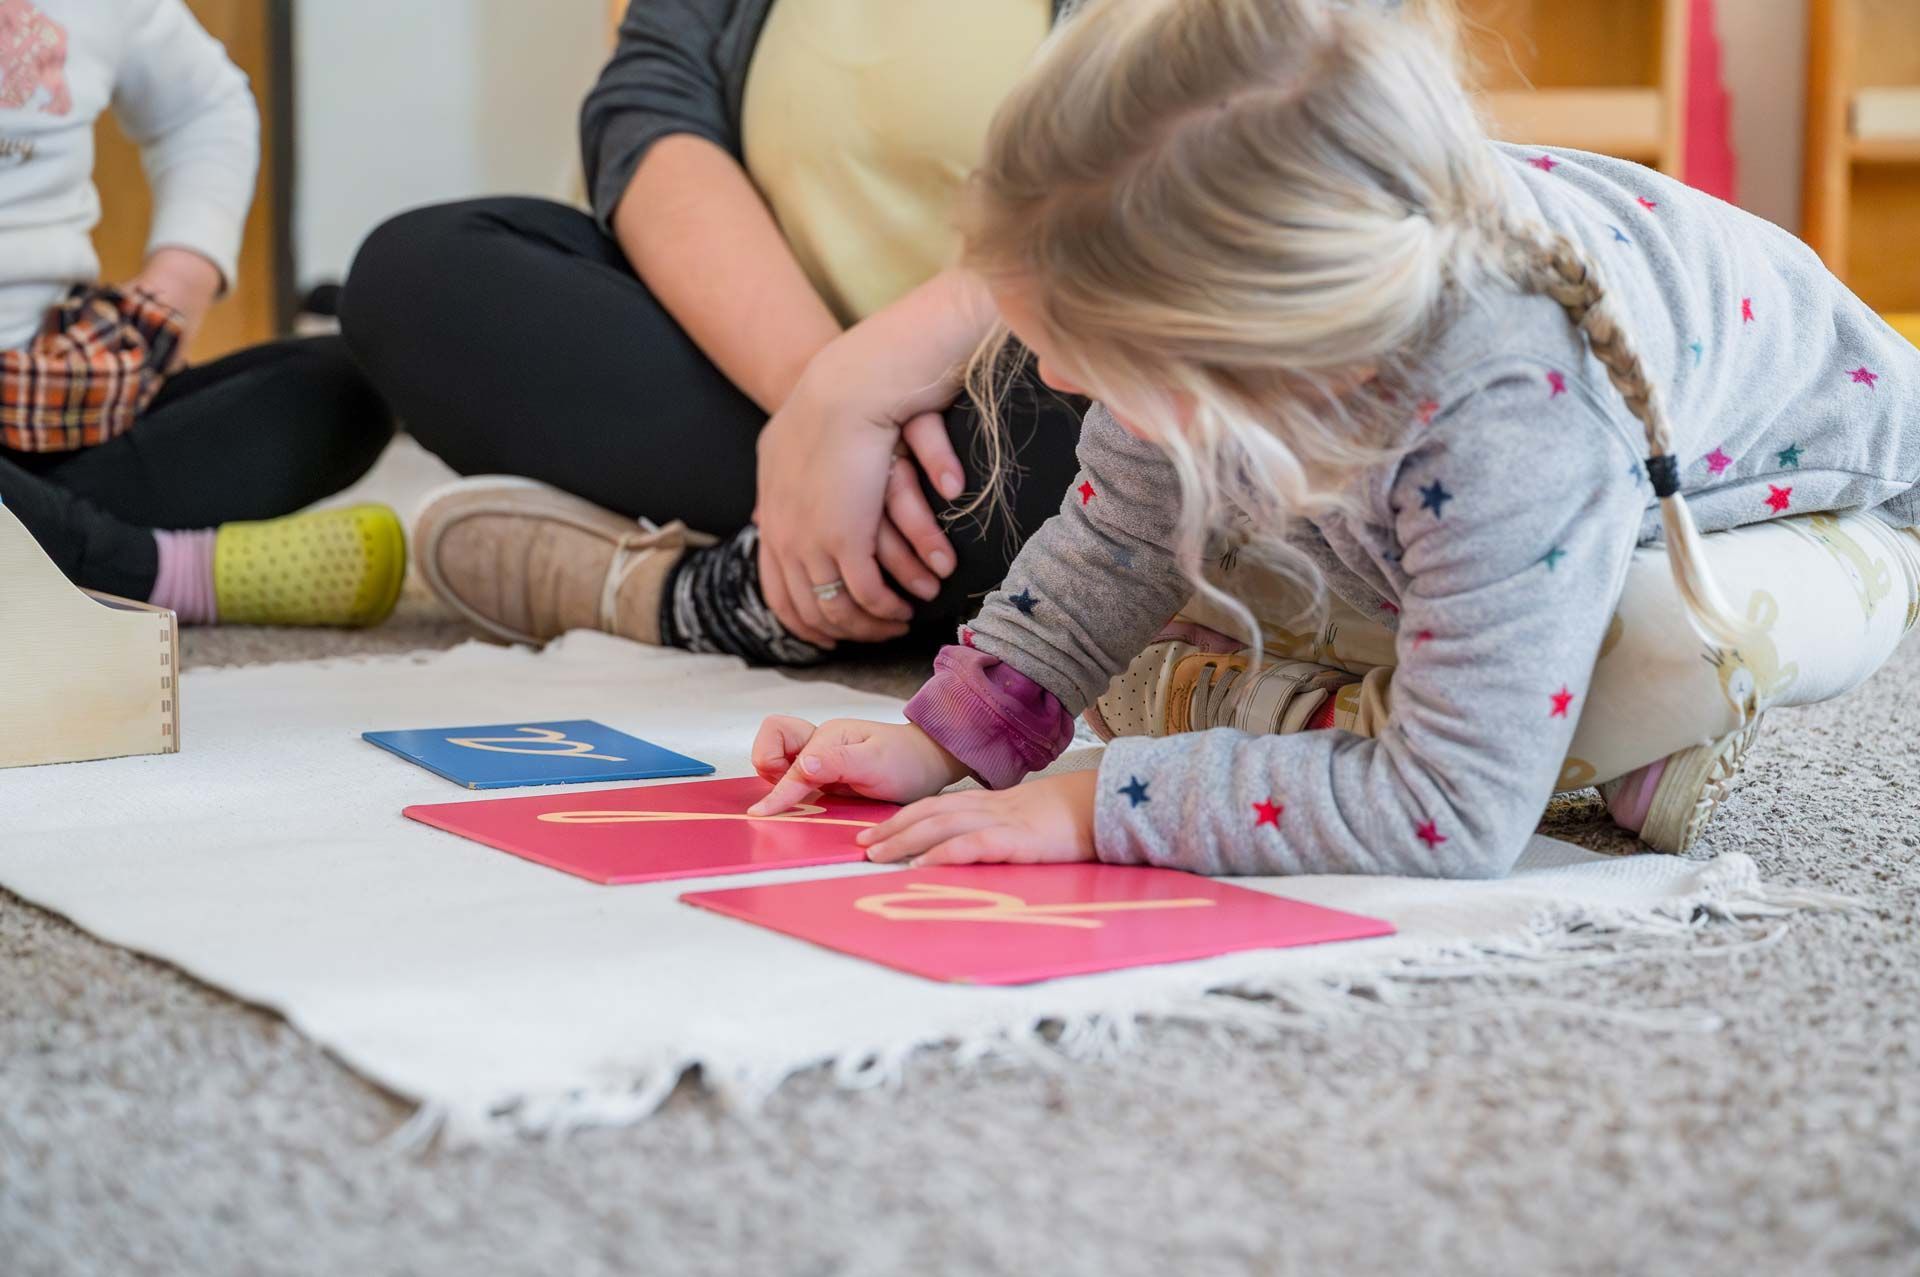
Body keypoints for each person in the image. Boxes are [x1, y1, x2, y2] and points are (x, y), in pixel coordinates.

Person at [746, 0, 1920, 868]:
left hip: (1830, 516)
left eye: (1091, 356)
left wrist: (1099, 803)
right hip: (1493, 484)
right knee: (1195, 569)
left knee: (1653, 642)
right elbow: (1115, 540)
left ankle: (1622, 724)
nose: (1050, 378)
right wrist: (944, 737)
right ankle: (1487, 696)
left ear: (1281, 338)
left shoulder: (1520, 406)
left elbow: (1452, 813)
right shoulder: (1264, 296)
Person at [339, 0, 1084, 665]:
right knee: (419, 277)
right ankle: (922, 575)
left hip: (1030, 365)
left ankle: (711, 595)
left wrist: (880, 384)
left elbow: (1153, 184)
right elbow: (650, 107)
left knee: (1138, 408)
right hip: (770, 395)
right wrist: (826, 401)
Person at [0, 0, 401, 626]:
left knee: (349, 386)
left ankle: (33, 543)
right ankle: (157, 570)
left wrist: (182, 277)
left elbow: (204, 107)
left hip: (55, 395)